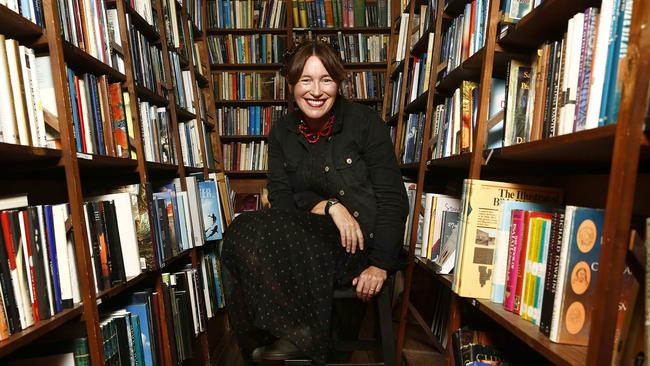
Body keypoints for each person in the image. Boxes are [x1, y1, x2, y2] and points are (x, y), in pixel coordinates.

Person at [221, 40, 408, 365]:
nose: (316, 91)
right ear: (292, 84)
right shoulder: (281, 132)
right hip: (305, 241)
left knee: (265, 238)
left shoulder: (364, 123)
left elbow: (393, 197)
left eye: (326, 80)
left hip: (359, 246)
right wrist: (330, 206)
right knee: (240, 229)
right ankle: (283, 335)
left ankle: (298, 332)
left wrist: (381, 264)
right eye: (306, 80)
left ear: (338, 82)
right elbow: (281, 201)